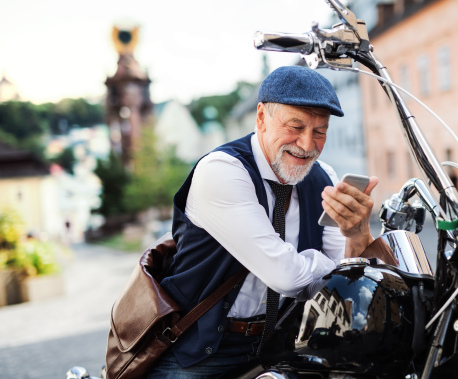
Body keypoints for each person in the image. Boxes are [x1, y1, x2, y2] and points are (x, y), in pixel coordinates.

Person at [147, 66, 394, 378]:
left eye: (320, 131)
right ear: (261, 117)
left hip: (285, 344)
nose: (307, 145)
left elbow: (341, 290)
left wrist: (357, 232)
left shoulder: (325, 178)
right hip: (203, 348)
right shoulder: (221, 170)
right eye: (295, 126)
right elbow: (289, 278)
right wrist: (333, 267)